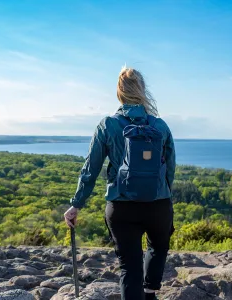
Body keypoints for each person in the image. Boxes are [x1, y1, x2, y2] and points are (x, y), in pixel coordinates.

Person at [64, 66, 176, 300]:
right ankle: (150, 292)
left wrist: (76, 204)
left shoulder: (107, 125)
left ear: (119, 93)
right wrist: (163, 197)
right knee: (157, 249)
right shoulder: (160, 126)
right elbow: (170, 169)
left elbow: (90, 169)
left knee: (129, 269)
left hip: (121, 206)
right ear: (142, 91)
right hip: (158, 205)